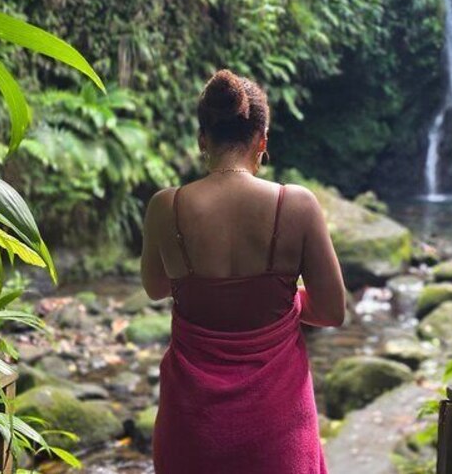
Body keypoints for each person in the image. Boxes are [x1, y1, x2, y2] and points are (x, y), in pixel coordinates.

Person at [141, 69, 347, 473]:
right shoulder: (297, 205)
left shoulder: (165, 207)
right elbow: (331, 310)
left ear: (203, 139)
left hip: (192, 423)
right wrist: (279, 298)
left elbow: (156, 287)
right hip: (278, 424)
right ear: (262, 140)